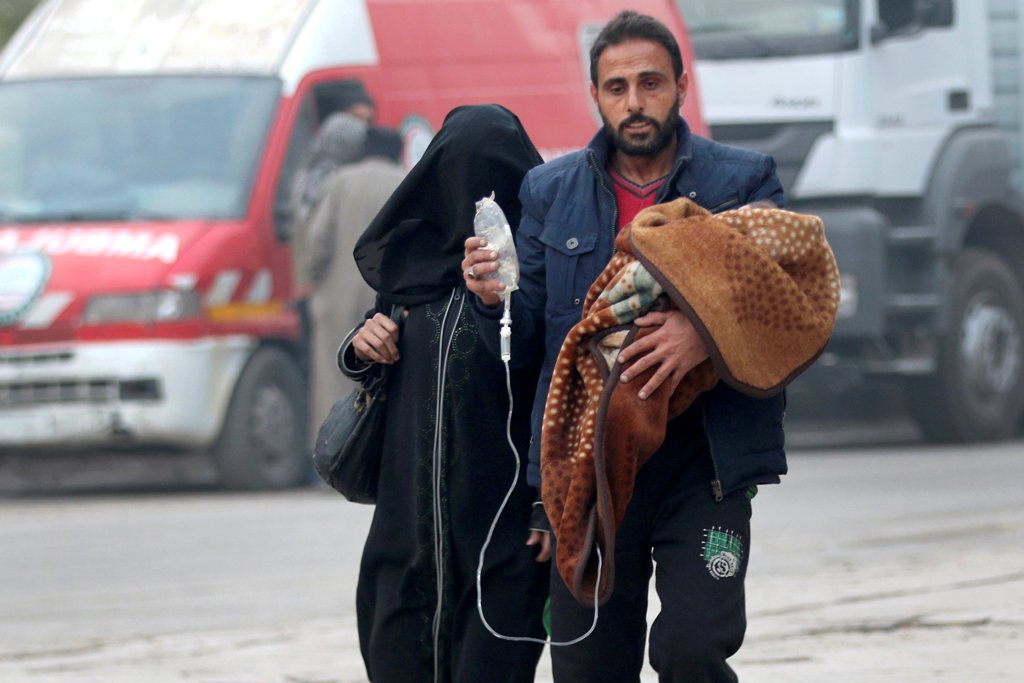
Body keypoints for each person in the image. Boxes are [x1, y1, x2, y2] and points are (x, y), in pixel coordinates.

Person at [463, 11, 786, 682]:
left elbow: (789, 306)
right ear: (595, 94)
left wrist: (704, 333)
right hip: (589, 472)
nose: (634, 103)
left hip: (707, 467)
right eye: (616, 87)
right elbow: (533, 346)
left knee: (692, 650)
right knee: (586, 667)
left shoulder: (744, 182)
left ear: (681, 85)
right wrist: (492, 298)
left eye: (650, 83)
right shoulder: (548, 193)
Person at [339, 104, 549, 682]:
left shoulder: (540, 280)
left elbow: (558, 390)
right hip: (406, 529)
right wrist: (363, 344)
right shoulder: (412, 271)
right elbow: (376, 358)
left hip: (502, 535)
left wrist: (548, 507)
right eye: (458, 172)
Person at [304, 126, 406, 432]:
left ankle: (333, 448)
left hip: (338, 295)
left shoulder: (341, 181)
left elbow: (317, 240)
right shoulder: (405, 181)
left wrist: (312, 277)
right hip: (390, 299)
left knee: (333, 376)